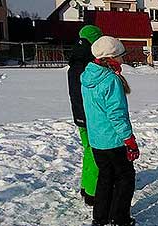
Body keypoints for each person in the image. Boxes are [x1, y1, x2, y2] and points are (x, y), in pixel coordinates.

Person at [81, 36, 140, 226]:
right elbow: (117, 115)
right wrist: (129, 140)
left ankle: (100, 216)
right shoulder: (111, 81)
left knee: (105, 177)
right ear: (111, 58)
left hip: (97, 140)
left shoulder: (87, 77)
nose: (123, 60)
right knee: (125, 178)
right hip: (114, 140)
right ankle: (119, 218)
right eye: (120, 56)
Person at [67, 25, 102, 206]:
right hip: (91, 116)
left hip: (79, 115)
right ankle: (93, 193)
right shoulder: (88, 66)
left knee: (88, 150)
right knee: (96, 153)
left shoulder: (75, 63)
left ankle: (85, 185)